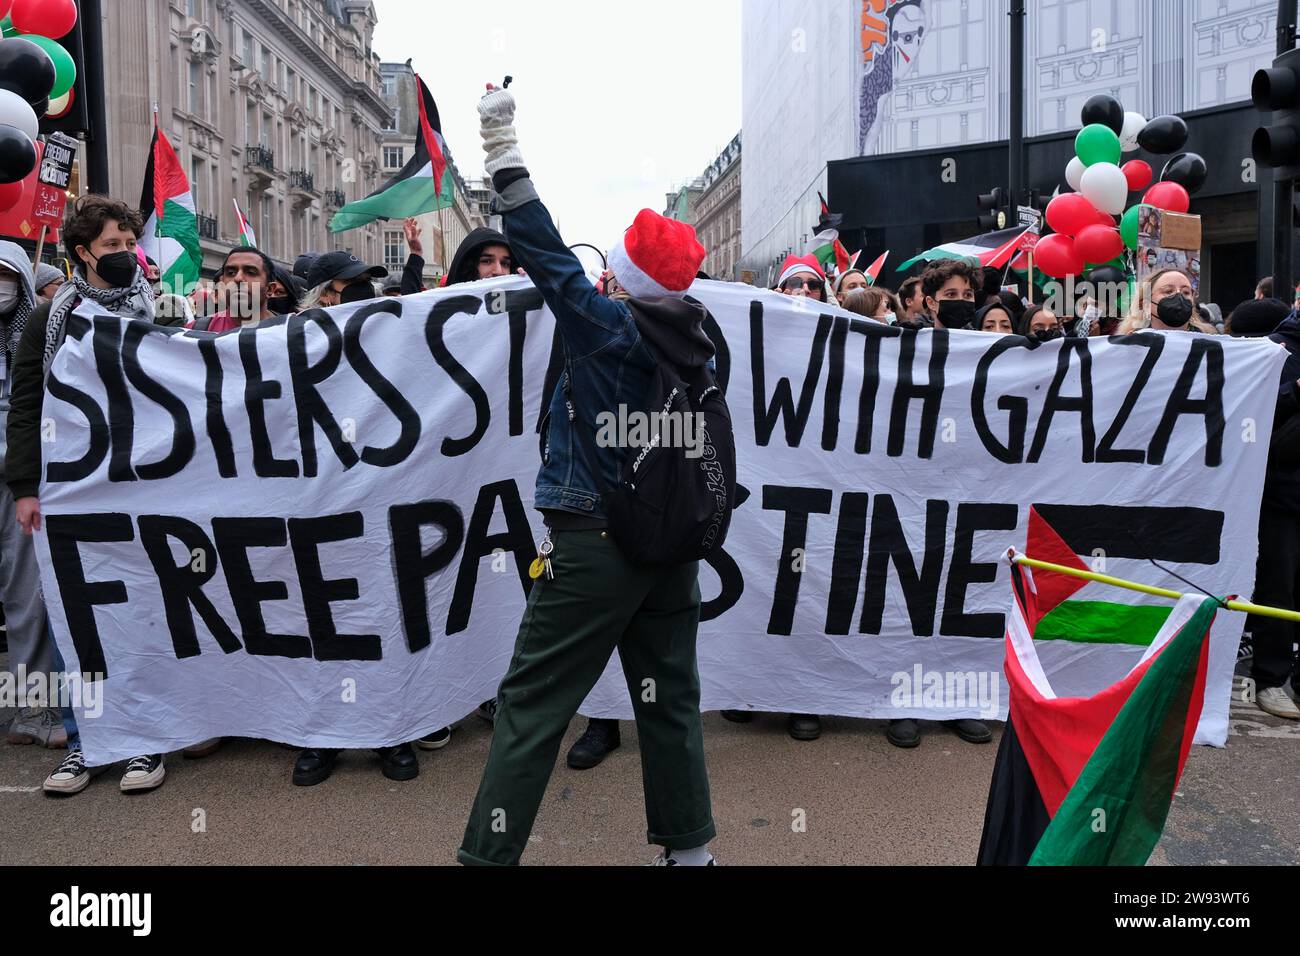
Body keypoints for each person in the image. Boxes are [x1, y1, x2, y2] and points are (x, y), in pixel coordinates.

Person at [459, 84, 717, 866]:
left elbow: (540, 247)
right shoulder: (697, 339)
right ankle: (692, 855)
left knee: (532, 704)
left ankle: (487, 858)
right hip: (667, 544)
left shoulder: (605, 327)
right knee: (669, 698)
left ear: (627, 276)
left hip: (595, 541)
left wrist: (502, 149)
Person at [5, 194, 165, 794]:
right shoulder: (51, 318)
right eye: (112, 247)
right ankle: (84, 743)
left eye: (130, 244)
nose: (126, 255)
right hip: (69, 488)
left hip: (143, 484)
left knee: (142, 612)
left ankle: (144, 741)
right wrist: (24, 487)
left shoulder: (156, 311)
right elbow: (26, 402)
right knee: (80, 615)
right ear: (81, 254)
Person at [0, 243, 59, 749]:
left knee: (28, 601)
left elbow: (29, 409)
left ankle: (33, 710)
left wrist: (24, 482)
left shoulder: (34, 335)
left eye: (3, 275)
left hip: (15, 485)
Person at [1238, 304, 1300, 718]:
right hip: (1284, 492)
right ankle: (1270, 679)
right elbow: (1251, 409)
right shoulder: (1275, 349)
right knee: (1280, 586)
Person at [186, 247, 282, 332]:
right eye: (231, 273)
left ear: (270, 289)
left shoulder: (290, 334)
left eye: (251, 272)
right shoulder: (195, 332)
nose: (238, 278)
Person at [1119, 268, 1217, 334]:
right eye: (1168, 291)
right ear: (1146, 305)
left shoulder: (1211, 341)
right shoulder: (1130, 344)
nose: (1179, 296)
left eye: (1186, 292)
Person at [301, 251, 388, 308]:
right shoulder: (308, 333)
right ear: (324, 294)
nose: (364, 287)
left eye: (367, 280)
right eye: (351, 280)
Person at [919, 258, 980, 329]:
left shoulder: (984, 339)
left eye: (968, 295)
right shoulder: (914, 339)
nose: (961, 299)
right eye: (951, 294)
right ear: (931, 303)